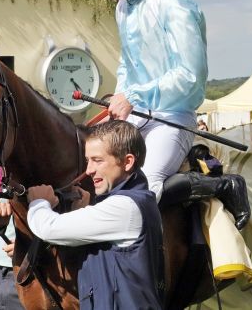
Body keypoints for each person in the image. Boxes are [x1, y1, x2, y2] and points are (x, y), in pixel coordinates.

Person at [72, 0, 250, 230]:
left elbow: (190, 77)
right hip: (139, 115)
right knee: (95, 169)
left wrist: (135, 96)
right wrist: (119, 97)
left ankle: (224, 186)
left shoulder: (174, 3)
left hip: (174, 115)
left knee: (147, 183)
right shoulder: (123, 9)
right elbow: (128, 65)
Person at [26, 121, 164, 310]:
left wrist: (38, 202)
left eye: (97, 160)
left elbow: (49, 228)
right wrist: (79, 211)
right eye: (88, 160)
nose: (89, 170)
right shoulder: (134, 201)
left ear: (127, 161)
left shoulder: (125, 207)